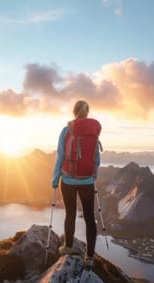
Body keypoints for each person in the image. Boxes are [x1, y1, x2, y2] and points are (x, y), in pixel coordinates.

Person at [52, 100, 101, 269]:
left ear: (74, 112)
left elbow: (60, 156)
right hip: (87, 180)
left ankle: (68, 246)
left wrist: (55, 178)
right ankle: (90, 256)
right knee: (89, 217)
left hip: (68, 180)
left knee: (70, 213)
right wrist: (93, 175)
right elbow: (97, 157)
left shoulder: (66, 130)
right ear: (87, 113)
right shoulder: (93, 131)